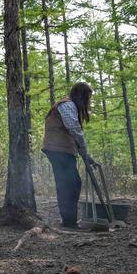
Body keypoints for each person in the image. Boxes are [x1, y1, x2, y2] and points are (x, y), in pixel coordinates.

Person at [41, 82, 95, 230]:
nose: (88, 102)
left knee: (70, 183)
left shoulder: (70, 107)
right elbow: (74, 129)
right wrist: (84, 149)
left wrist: (86, 156)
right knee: (70, 184)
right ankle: (69, 222)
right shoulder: (67, 105)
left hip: (61, 150)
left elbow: (72, 133)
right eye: (87, 98)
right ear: (81, 96)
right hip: (57, 150)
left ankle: (69, 220)